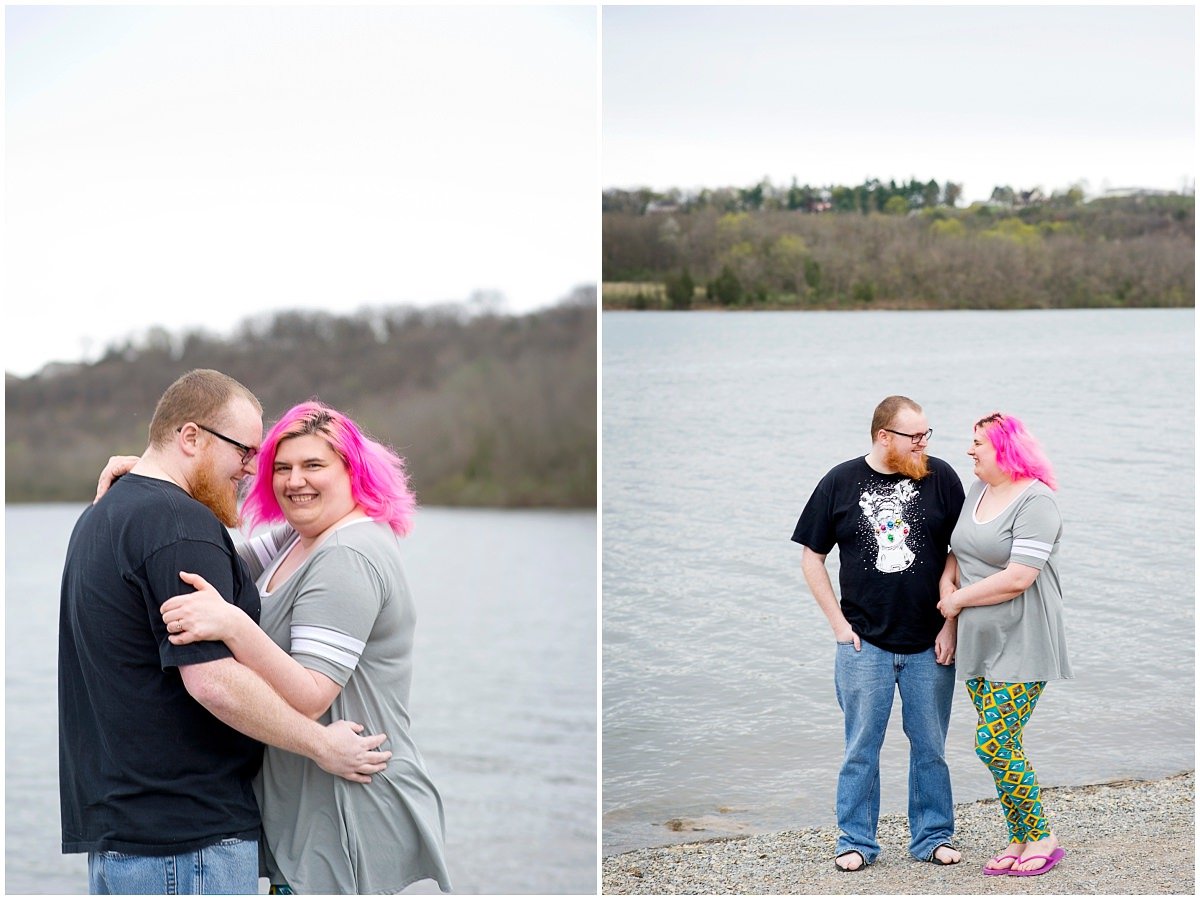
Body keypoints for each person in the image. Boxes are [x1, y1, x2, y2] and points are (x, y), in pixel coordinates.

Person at [60, 370, 392, 895]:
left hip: (124, 835)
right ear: (190, 438)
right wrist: (322, 746)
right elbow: (212, 681)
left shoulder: (106, 514)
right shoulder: (179, 526)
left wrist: (142, 466)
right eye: (247, 453)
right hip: (186, 842)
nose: (251, 470)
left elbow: (284, 539)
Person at [156, 400, 452, 893]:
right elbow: (213, 560)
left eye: (315, 465)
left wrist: (233, 625)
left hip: (348, 802)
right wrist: (154, 480)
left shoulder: (348, 555)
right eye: (283, 468)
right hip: (307, 798)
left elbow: (313, 694)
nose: (295, 481)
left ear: (352, 472)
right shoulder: (296, 539)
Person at [791, 395, 966, 871]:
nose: (923, 444)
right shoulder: (840, 482)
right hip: (862, 644)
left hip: (930, 643)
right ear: (883, 437)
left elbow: (963, 552)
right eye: (915, 437)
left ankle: (932, 836)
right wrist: (837, 625)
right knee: (860, 748)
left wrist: (951, 621)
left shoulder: (941, 478)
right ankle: (856, 841)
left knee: (931, 747)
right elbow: (812, 556)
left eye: (928, 434)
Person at [937, 413, 1071, 877]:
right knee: (1002, 741)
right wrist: (949, 617)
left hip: (1025, 637)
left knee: (992, 742)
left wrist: (955, 602)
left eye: (978, 443)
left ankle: (1042, 837)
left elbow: (1018, 578)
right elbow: (954, 557)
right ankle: (1018, 837)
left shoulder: (1037, 501)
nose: (970, 451)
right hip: (979, 638)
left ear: (1005, 449)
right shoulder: (978, 491)